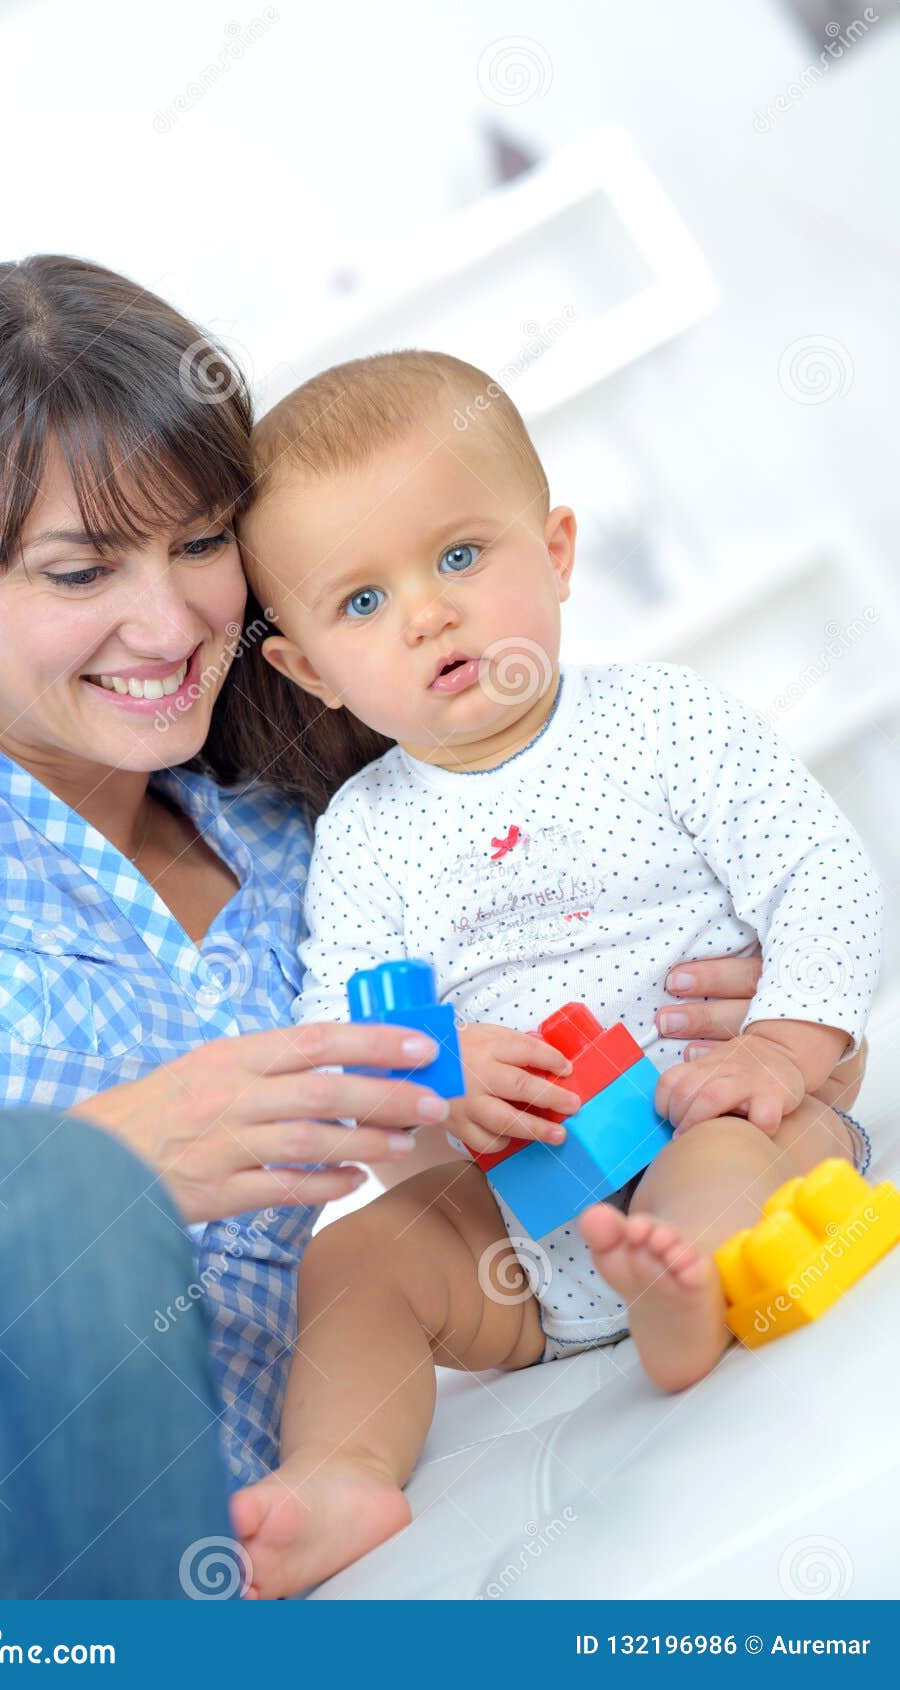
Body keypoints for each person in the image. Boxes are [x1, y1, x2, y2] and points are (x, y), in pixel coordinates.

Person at [0, 272, 863, 1598]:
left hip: (192, 1560)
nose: (168, 627)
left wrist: (775, 1031)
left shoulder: (321, 839)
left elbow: (461, 1108)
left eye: (201, 544)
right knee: (56, 1198)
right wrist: (101, 1167)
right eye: (81, 569)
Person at [226, 349, 884, 1598]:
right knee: (353, 1259)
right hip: (519, 1247)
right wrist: (433, 1063)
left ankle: (690, 1296)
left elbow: (823, 877)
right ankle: (341, 1471)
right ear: (308, 667)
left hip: (718, 1121)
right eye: (360, 605)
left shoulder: (665, 724)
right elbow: (337, 1023)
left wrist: (777, 1049)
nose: (425, 613)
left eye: (460, 557)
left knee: (728, 1147)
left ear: (559, 550)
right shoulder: (366, 832)